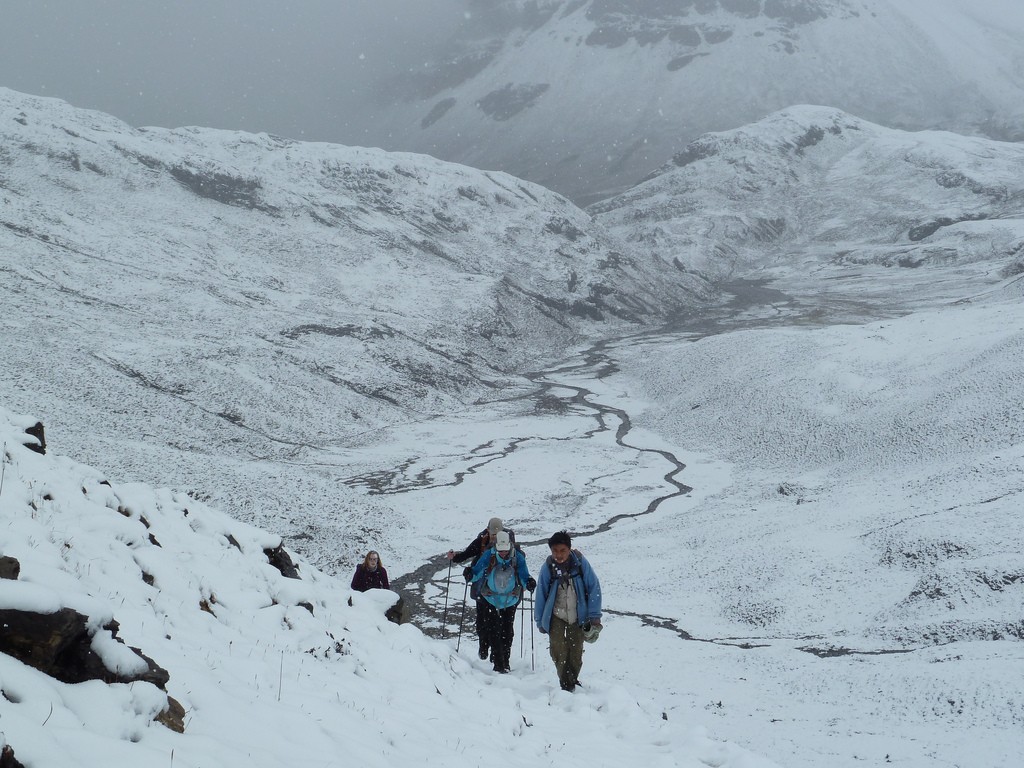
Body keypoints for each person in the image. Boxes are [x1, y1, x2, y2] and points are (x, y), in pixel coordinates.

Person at [534, 531, 602, 692]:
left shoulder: (579, 563)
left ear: (569, 549)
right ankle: (566, 683)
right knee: (557, 649)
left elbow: (594, 587)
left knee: (576, 651)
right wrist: (539, 621)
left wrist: (594, 616)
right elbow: (541, 593)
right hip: (556, 615)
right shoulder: (548, 567)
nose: (558, 555)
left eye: (562, 550)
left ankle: (572, 679)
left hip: (579, 615)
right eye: (555, 551)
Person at [446, 517, 517, 660]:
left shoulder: (508, 542)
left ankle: (496, 654)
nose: (495, 539)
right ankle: (485, 647)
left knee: (499, 624)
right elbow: (468, 553)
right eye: (493, 535)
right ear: (487, 531)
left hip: (501, 590)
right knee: (483, 621)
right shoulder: (482, 540)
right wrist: (455, 558)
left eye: (497, 535)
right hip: (482, 587)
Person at [466, 531, 534, 673]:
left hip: (508, 600)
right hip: (493, 599)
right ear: (496, 547)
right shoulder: (489, 555)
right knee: (495, 631)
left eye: (505, 550)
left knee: (507, 632)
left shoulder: (517, 558)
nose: (503, 553)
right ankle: (499, 664)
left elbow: (523, 575)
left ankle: (504, 662)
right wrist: (470, 574)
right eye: (500, 550)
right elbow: (477, 571)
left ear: (510, 547)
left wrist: (528, 583)